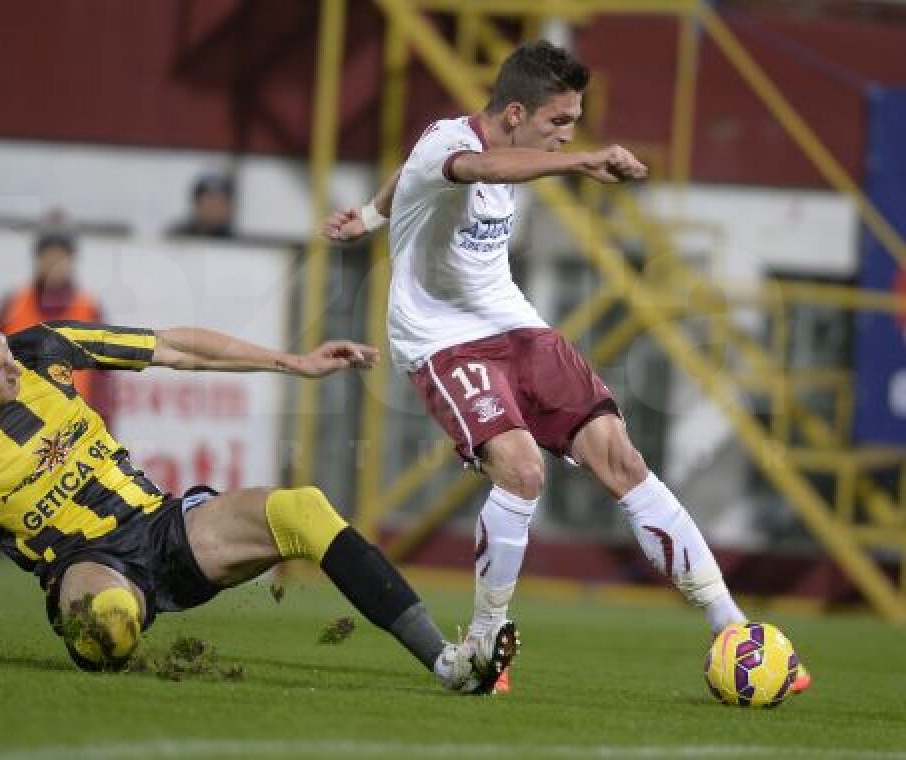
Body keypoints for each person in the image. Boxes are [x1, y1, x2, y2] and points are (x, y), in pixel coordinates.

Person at [324, 40, 809, 695]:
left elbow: (412, 172)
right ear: (517, 113)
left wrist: (371, 216)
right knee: (523, 471)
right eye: (559, 123)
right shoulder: (455, 147)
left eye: (574, 125)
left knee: (623, 459)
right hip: (442, 342)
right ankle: (485, 642)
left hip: (516, 326)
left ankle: (734, 628)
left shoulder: (455, 149)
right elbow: (472, 167)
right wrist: (581, 162)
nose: (567, 135)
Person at [0, 310, 515, 694]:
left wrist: (292, 363)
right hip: (84, 568)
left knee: (301, 506)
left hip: (167, 529)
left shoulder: (45, 347)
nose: (16, 370)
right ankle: (106, 626)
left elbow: (174, 347)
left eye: (7, 352)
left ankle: (450, 666)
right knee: (111, 625)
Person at [0, 212, 115, 428]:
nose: (54, 262)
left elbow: (102, 387)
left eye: (61, 255)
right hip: (15, 435)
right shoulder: (11, 307)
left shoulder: (90, 311)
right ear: (38, 257)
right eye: (48, 254)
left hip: (72, 438)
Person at [168, 171, 235, 239]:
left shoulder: (237, 244)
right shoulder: (175, 239)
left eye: (220, 202)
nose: (214, 208)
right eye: (209, 200)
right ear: (196, 203)